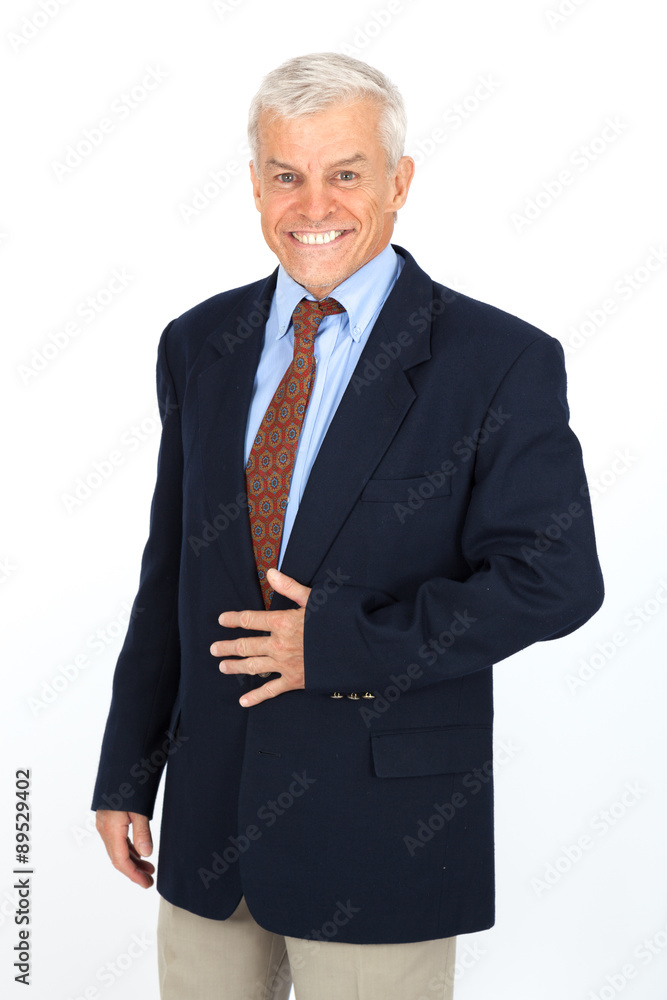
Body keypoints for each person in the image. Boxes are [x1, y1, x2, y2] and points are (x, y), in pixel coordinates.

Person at [92, 52, 604, 1000]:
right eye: (286, 174)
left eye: (346, 173)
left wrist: (336, 645)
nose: (312, 203)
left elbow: (555, 578)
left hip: (382, 835)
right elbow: (171, 571)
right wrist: (128, 769)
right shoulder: (198, 343)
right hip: (208, 826)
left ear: (398, 182)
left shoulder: (497, 360)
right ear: (255, 184)